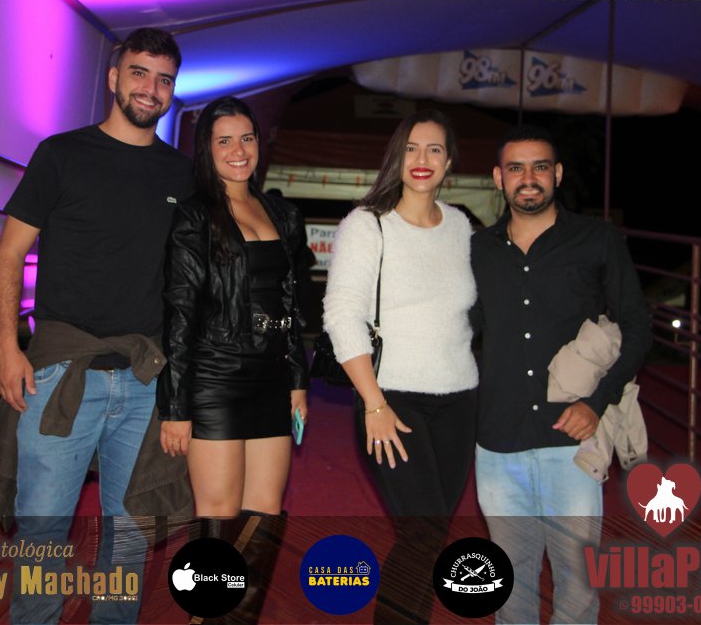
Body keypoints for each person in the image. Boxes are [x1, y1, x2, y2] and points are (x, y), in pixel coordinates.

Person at [0, 28, 192, 624]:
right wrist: (7, 345)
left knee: (129, 536)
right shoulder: (61, 154)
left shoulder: (182, 175)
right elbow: (9, 254)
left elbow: (192, 283)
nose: (150, 88)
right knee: (42, 534)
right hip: (59, 373)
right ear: (113, 78)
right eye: (139, 73)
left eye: (163, 79)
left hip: (145, 379)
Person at [471, 124, 651, 624]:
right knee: (509, 580)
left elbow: (637, 328)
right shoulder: (477, 250)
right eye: (516, 168)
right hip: (498, 440)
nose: (528, 178)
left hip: (572, 441)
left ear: (558, 174)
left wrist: (597, 402)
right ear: (498, 178)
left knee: (577, 583)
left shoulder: (598, 239)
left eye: (540, 167)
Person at [322, 109, 478, 623]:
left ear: (449, 162)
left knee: (432, 538)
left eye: (434, 149)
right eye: (411, 148)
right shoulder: (367, 225)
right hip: (392, 400)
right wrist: (374, 404)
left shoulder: (460, 226)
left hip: (459, 401)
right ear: (396, 156)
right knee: (422, 533)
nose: (422, 159)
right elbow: (341, 314)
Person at [156, 96, 309, 516]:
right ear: (206, 148)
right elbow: (180, 314)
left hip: (273, 378)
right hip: (215, 378)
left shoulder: (283, 215)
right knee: (219, 513)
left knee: (265, 511)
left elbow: (291, 304)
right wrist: (175, 407)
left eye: (247, 138)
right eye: (224, 141)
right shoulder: (194, 216)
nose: (238, 151)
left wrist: (298, 381)